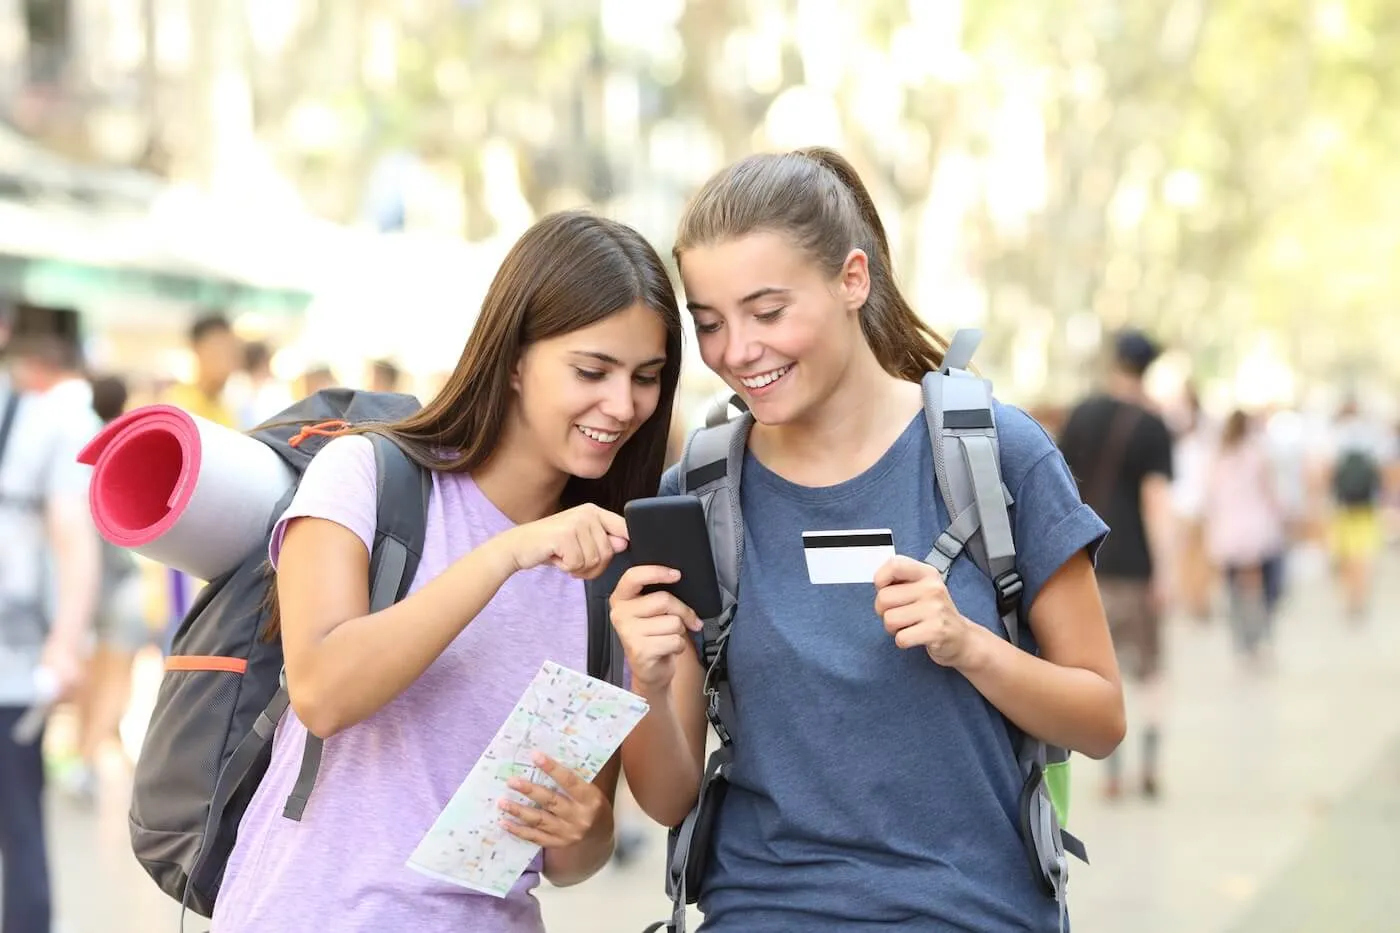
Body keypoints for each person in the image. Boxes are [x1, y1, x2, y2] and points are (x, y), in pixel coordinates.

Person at [609, 149, 1124, 932]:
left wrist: (967, 644)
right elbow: (667, 797)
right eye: (709, 323)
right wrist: (645, 682)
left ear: (853, 279)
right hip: (762, 910)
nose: (736, 351)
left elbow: (1101, 717)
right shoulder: (700, 493)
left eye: (768, 311)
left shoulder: (995, 453)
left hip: (972, 911)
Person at [210, 210, 683, 933]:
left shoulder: (609, 569)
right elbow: (324, 691)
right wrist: (506, 552)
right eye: (592, 370)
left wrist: (582, 825)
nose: (622, 406)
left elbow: (575, 859)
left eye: (645, 377)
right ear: (516, 356)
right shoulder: (368, 476)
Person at [0, 320, 102, 933]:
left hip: (13, 665)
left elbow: (74, 542)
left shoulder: (47, 422)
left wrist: (65, 645)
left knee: (19, 821)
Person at [1059, 329, 1175, 800]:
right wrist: (1164, 571)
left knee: (1098, 671)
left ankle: (1111, 773)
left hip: (1083, 566)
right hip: (1135, 568)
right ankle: (1147, 766)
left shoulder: (1081, 415)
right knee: (1150, 670)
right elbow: (1157, 503)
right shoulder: (1152, 425)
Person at [1202, 410, 1287, 667]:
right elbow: (1269, 490)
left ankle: (1242, 641)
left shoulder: (1220, 456)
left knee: (1234, 588)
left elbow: (1211, 495)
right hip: (1253, 529)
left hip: (1227, 529)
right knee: (1256, 589)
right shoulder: (1254, 454)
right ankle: (1258, 639)